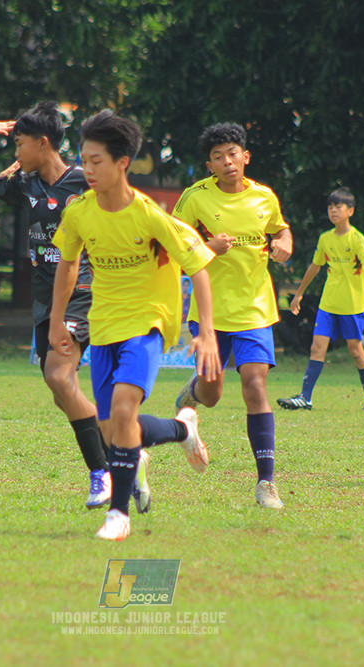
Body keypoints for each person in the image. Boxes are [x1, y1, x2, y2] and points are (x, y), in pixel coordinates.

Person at [49, 110, 221, 541]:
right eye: (84, 160)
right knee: (115, 431)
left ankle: (118, 515)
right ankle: (184, 428)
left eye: (97, 161)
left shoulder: (149, 215)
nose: (87, 170)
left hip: (148, 323)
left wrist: (206, 333)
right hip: (102, 325)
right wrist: (56, 321)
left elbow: (198, 265)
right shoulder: (79, 213)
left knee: (124, 413)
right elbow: (68, 264)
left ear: (122, 163)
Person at [0, 101, 119, 510]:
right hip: (44, 303)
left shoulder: (84, 183)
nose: (15, 155)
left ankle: (103, 471)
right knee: (60, 388)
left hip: (82, 296)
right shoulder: (27, 185)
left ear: (43, 142)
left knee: (58, 376)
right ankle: (127, 453)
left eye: (19, 145)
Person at [171, 122, 293, 509]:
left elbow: (281, 229)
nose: (227, 162)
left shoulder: (264, 197)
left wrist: (284, 243)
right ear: (210, 164)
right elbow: (172, 248)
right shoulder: (194, 199)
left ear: (245, 156)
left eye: (233, 154)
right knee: (212, 393)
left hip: (255, 308)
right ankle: (193, 392)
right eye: (218, 157)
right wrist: (208, 247)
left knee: (255, 385)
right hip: (209, 311)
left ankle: (266, 482)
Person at [278, 187, 364, 412]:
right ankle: (305, 398)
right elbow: (315, 267)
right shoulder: (325, 238)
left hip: (352, 305)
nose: (333, 211)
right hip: (328, 305)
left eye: (338, 207)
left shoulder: (356, 238)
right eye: (330, 207)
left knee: (355, 350)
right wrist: (298, 294)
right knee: (317, 348)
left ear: (350, 211)